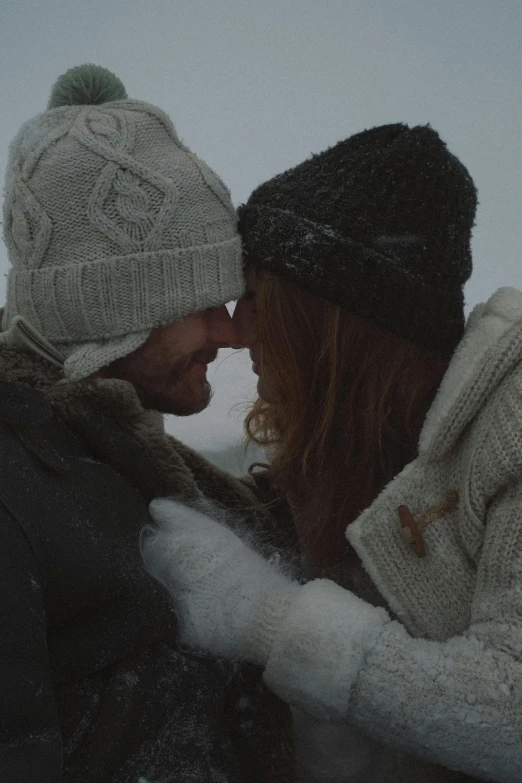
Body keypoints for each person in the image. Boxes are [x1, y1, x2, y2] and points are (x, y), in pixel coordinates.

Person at [143, 124, 522, 783]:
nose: (234, 328)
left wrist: (268, 617)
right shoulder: (347, 456)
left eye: (259, 299)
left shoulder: (509, 425)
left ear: (329, 321)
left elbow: (510, 709)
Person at [0, 63, 298, 783]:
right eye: (197, 301)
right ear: (112, 312)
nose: (229, 333)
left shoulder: (119, 456)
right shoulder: (15, 487)